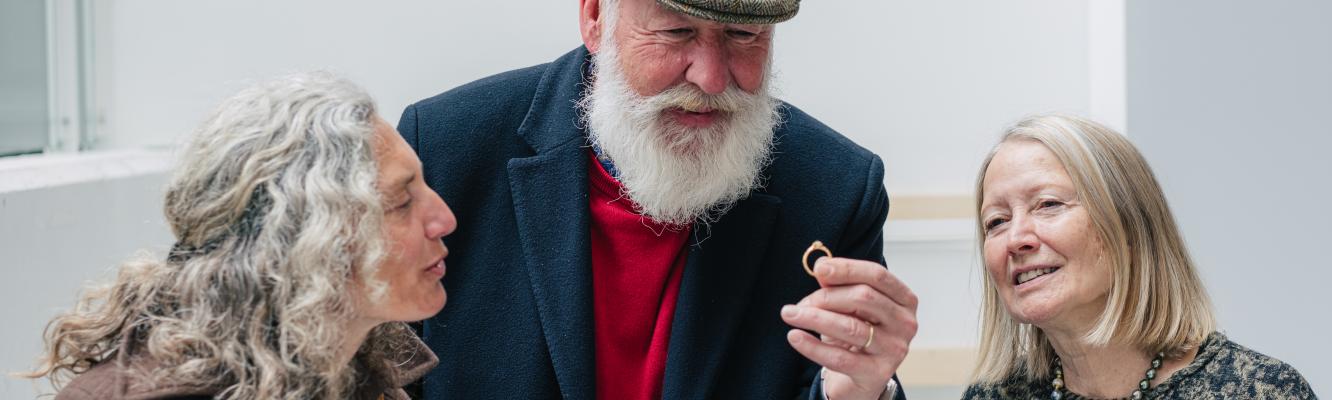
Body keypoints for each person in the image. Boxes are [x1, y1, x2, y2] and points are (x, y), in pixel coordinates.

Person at [397, 0, 918, 398]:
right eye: (677, 32)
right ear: (596, 16)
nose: (711, 79)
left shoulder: (837, 189)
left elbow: (838, 379)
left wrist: (860, 392)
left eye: (743, 35)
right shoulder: (444, 150)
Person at [27, 73, 458, 400]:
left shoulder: (359, 367)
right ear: (307, 239)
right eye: (402, 203)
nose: (444, 219)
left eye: (425, 186)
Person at [963, 114, 1317, 399]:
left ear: (1130, 229)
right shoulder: (993, 395)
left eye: (1049, 204)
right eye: (996, 222)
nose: (1015, 239)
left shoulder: (1261, 391)